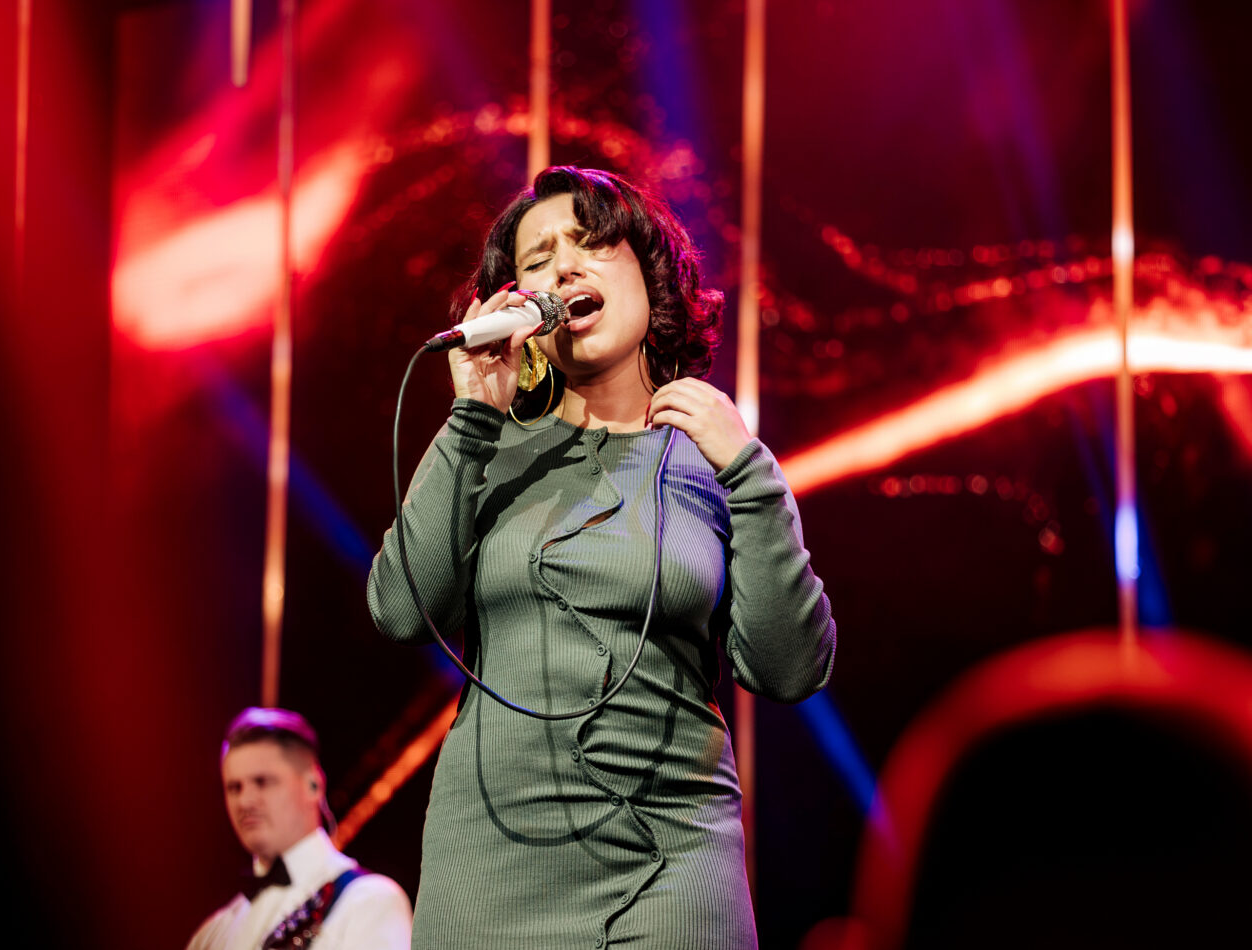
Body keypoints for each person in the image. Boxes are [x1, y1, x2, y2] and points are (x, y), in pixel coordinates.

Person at [366, 166, 837, 949]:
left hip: (672, 867)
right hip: (494, 863)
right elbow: (399, 610)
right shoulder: (490, 450)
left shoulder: (713, 460)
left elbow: (789, 670)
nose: (564, 267)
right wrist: (472, 419)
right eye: (538, 259)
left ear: (651, 278)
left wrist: (752, 477)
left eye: (590, 243)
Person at [187, 707, 412, 950]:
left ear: (313, 785)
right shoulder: (211, 934)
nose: (245, 801)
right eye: (234, 788)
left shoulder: (370, 903)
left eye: (262, 782)